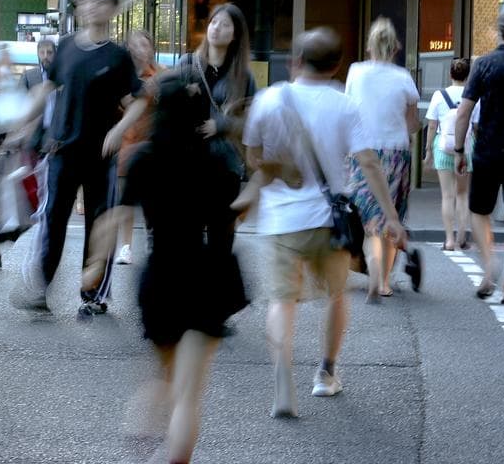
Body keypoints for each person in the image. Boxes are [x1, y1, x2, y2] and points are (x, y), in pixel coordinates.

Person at [242, 27, 404, 417]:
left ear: (295, 62)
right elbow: (368, 162)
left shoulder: (269, 99)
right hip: (330, 221)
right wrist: (391, 216)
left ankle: (283, 377)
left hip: (281, 219)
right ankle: (325, 373)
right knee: (335, 296)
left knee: (282, 301)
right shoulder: (344, 105)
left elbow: (253, 158)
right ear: (336, 66)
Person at [107, 69, 248, 464]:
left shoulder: (143, 161)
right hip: (205, 275)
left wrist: (94, 264)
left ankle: (136, 450)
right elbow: (232, 217)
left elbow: (116, 215)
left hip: (161, 276)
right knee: (189, 394)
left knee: (161, 378)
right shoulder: (217, 160)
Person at [9, 0, 145, 318]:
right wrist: (22, 124)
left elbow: (138, 101)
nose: (91, 7)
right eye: (85, 2)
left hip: (101, 156)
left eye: (99, 1)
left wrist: (120, 131)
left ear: (113, 9)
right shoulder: (66, 46)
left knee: (99, 224)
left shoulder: (118, 57)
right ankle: (39, 288)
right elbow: (45, 88)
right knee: (52, 221)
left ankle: (94, 294)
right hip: (61, 151)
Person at [344, 18, 422, 299]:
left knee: (370, 221)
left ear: (369, 45)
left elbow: (349, 110)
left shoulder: (355, 72)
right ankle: (386, 281)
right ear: (396, 47)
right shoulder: (403, 78)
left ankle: (373, 272)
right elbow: (412, 123)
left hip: (362, 151)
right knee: (392, 217)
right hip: (396, 153)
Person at [454, 9, 504, 300]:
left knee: (479, 212)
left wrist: (460, 149)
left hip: (488, 150)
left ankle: (489, 266)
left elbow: (464, 113)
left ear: (499, 31)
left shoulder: (484, 64)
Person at [112, 29, 164, 265]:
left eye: (144, 44)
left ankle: (154, 242)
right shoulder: (121, 77)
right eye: (134, 45)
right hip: (127, 144)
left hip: (153, 145)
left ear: (151, 48)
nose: (140, 49)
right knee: (125, 200)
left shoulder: (162, 74)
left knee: (154, 199)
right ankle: (126, 246)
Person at [424, 57, 475, 251]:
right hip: (465, 148)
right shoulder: (472, 95)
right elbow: (476, 125)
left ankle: (449, 240)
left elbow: (431, 125)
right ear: (467, 75)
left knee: (447, 196)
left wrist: (428, 150)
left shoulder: (439, 95)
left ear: (450, 74)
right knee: (462, 195)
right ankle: (462, 238)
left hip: (443, 148)